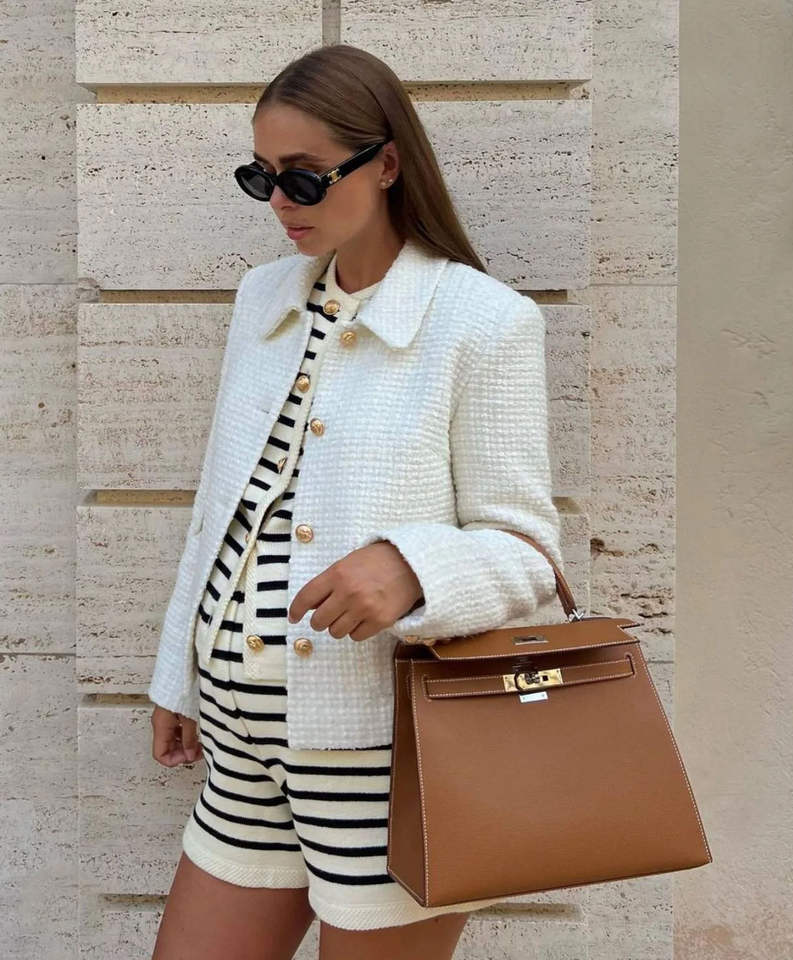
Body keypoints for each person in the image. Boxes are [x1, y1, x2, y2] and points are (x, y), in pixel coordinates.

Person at [148, 42, 562, 960]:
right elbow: (222, 511)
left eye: (303, 177)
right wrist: (179, 673)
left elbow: (529, 551)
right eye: (261, 178)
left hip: (378, 756)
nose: (280, 203)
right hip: (239, 745)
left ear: (385, 163)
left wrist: (411, 566)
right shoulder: (263, 300)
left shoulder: (484, 322)